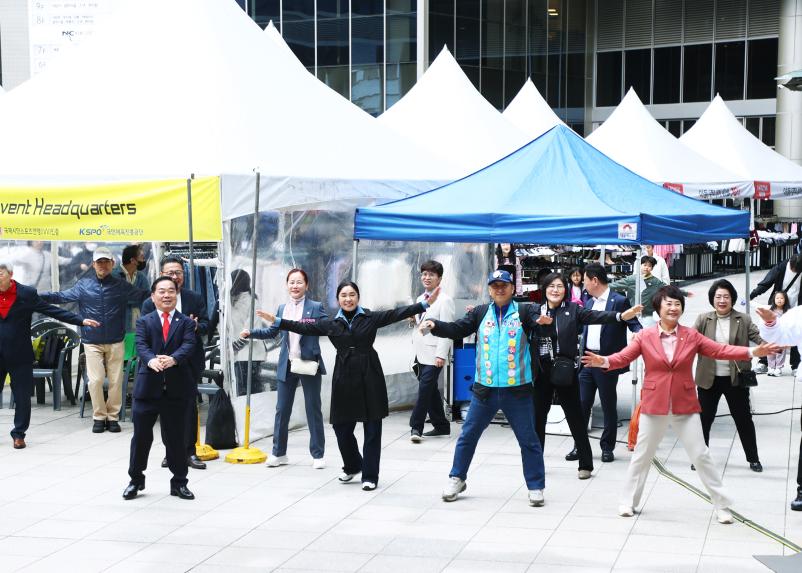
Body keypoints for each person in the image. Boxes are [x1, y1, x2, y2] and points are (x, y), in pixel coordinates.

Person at [583, 285, 777, 523]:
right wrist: (603, 361)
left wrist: (751, 351)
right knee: (642, 455)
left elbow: (720, 350)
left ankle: (722, 506)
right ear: (658, 308)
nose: (673, 308)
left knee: (701, 455)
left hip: (684, 405)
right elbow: (623, 356)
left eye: (677, 304)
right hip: (654, 404)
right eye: (668, 304)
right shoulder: (645, 335)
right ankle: (628, 502)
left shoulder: (691, 335)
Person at [257, 280, 437, 491]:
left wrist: (424, 304)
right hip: (344, 376)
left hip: (370, 374)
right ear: (338, 299)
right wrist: (278, 321)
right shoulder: (332, 323)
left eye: (352, 295)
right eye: (344, 295)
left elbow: (396, 313)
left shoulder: (370, 317)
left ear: (358, 297)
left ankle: (370, 475)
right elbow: (303, 326)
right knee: (341, 426)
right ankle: (353, 465)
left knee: (372, 427)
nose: (348, 299)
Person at [420, 270, 549, 506]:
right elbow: (457, 329)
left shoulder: (524, 311)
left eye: (504, 285)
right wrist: (435, 324)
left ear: (512, 289)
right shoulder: (480, 313)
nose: (499, 289)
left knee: (528, 440)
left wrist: (542, 321)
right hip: (484, 390)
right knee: (468, 436)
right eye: (495, 286)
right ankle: (456, 478)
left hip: (517, 390)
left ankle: (535, 486)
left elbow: (539, 321)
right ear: (489, 289)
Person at [531, 272, 642, 478]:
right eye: (551, 286)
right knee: (538, 419)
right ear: (544, 289)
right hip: (542, 373)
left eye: (560, 286)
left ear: (565, 290)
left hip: (566, 373)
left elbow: (597, 316)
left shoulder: (573, 309)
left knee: (576, 417)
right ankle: (536, 463)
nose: (555, 290)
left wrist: (620, 316)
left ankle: (585, 464)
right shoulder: (534, 311)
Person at [40, 246, 149, 433]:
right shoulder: (83, 285)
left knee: (116, 381)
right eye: (99, 262)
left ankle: (112, 417)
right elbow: (60, 296)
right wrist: (34, 295)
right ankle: (99, 416)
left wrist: (166, 290)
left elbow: (144, 296)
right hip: (91, 341)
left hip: (116, 340)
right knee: (96, 380)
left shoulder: (120, 286)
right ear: (93, 264)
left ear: (112, 263)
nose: (103, 265)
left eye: (106, 261)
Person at [0, 260, 99, 449]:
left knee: (22, 396)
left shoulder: (26, 294)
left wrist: (80, 320)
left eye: (0, 273)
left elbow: (52, 310)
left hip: (19, 354)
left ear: (10, 274)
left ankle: (19, 434)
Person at [241, 268, 327, 469]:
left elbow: (323, 327)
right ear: (287, 285)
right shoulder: (281, 308)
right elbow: (272, 331)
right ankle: (279, 453)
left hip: (308, 364)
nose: (295, 286)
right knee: (282, 409)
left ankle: (318, 454)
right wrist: (251, 332)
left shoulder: (315, 307)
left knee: (313, 408)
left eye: (299, 282)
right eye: (291, 282)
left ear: (307, 285)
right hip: (287, 364)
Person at [123, 276, 197, 501]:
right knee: (141, 438)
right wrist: (151, 360)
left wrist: (174, 359)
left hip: (176, 389)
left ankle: (179, 482)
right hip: (147, 389)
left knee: (176, 438)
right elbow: (141, 345)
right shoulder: (145, 321)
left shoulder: (185, 322)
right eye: (162, 291)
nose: (167, 295)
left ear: (177, 294)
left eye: (171, 291)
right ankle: (136, 480)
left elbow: (189, 345)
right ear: (153, 296)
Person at [567, 263, 642, 464]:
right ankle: (579, 446)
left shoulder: (619, 300)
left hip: (606, 362)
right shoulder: (587, 302)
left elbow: (633, 323)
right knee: (582, 406)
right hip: (586, 361)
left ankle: (607, 447)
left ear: (594, 280)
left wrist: (637, 334)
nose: (583, 285)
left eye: (585, 281)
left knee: (609, 405)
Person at [142, 255, 209, 471]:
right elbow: (146, 333)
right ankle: (170, 452)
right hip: (160, 365)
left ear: (183, 275)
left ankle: (190, 451)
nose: (174, 277)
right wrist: (157, 359)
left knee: (189, 407)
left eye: (178, 273)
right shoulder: (149, 303)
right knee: (166, 409)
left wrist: (197, 326)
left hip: (188, 362)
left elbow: (209, 323)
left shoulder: (195, 298)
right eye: (169, 273)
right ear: (161, 275)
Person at [692, 279, 764, 473]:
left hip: (736, 380)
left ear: (732, 299)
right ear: (712, 299)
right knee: (704, 420)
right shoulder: (703, 319)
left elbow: (759, 339)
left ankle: (753, 458)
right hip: (709, 379)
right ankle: (699, 459)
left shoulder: (744, 319)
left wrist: (769, 341)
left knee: (743, 419)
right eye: (718, 297)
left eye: (726, 296)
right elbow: (689, 342)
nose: (722, 300)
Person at [409, 260, 454, 443]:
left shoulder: (445, 300)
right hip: (420, 352)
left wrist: (441, 355)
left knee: (425, 388)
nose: (426, 278)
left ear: (439, 279)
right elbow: (421, 325)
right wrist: (413, 320)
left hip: (435, 353)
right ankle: (441, 425)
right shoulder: (420, 299)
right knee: (431, 390)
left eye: (431, 275)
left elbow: (448, 329)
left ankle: (416, 427)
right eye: (424, 274)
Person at [751, 255, 802, 375]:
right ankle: (764, 362)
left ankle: (795, 365)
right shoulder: (782, 266)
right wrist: (752, 294)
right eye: (793, 268)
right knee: (770, 334)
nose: (794, 271)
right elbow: (766, 282)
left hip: (795, 308)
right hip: (776, 307)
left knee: (796, 334)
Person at [609, 255, 691, 327]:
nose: (646, 267)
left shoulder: (656, 282)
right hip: (632, 314)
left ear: (652, 268)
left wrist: (685, 293)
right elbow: (615, 285)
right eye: (644, 265)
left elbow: (668, 289)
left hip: (648, 315)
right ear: (640, 265)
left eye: (649, 266)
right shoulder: (632, 279)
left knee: (648, 337)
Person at [112, 244, 150, 333]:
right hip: (117, 325)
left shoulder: (141, 277)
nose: (144, 260)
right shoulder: (114, 276)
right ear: (133, 260)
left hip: (137, 324)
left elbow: (147, 297)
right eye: (142, 257)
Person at [767, 291, 790, 376]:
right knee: (770, 352)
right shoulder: (770, 310)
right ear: (774, 300)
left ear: (785, 300)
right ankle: (771, 367)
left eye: (781, 298)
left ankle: (778, 368)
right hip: (771, 335)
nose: (779, 300)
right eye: (777, 298)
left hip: (781, 336)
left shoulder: (787, 311)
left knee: (780, 352)